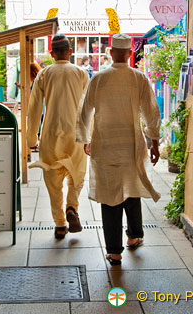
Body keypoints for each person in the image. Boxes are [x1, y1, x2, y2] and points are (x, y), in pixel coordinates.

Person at [76, 33, 161, 265]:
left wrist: (85, 138)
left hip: (105, 144)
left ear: (111, 53)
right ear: (130, 53)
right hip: (132, 144)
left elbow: (85, 111)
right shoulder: (139, 78)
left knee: (110, 196)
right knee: (132, 187)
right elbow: (151, 114)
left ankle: (114, 251)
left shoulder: (99, 79)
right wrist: (154, 142)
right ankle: (134, 236)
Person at [27, 34, 89, 239]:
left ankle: (60, 224)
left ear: (52, 53)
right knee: (76, 175)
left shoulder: (44, 74)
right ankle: (72, 206)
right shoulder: (81, 73)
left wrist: (31, 139)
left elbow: (34, 107)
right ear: (70, 53)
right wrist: (90, 138)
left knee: (53, 181)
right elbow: (90, 108)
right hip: (76, 134)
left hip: (51, 134)